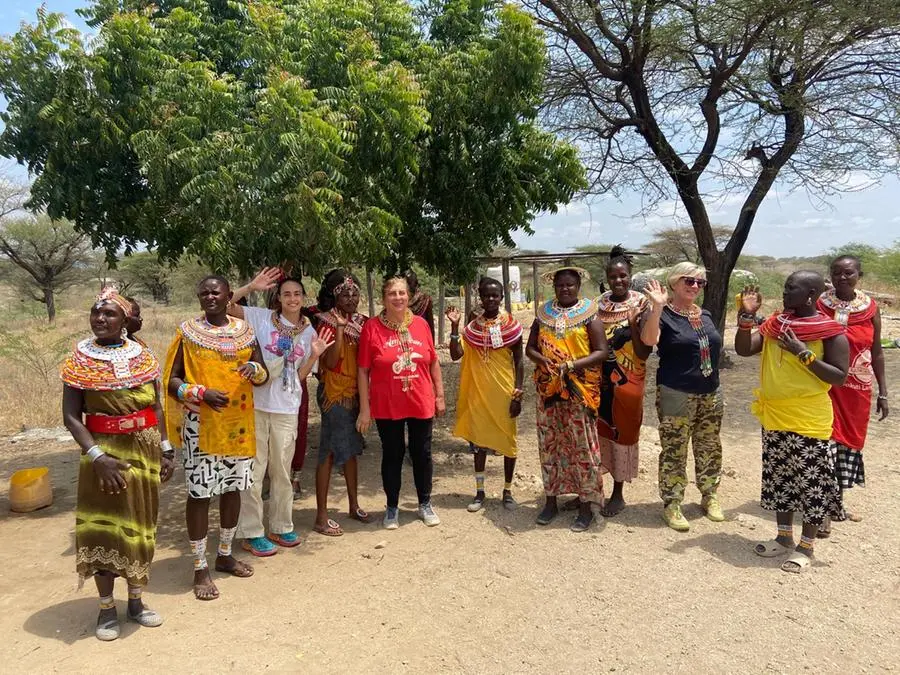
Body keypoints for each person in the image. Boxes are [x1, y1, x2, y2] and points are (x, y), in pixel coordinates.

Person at [61, 286, 174, 641]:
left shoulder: (143, 356)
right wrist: (98, 458)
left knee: (140, 526)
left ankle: (136, 602)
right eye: (96, 313)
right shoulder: (79, 359)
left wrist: (167, 449)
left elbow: (156, 407)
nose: (101, 319)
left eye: (110, 313)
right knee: (105, 529)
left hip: (144, 451)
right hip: (103, 456)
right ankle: (107, 608)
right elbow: (71, 417)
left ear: (125, 320)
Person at [163, 275, 268, 600]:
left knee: (234, 489)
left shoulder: (245, 331)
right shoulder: (188, 332)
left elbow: (262, 372)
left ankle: (224, 554)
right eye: (204, 292)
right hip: (201, 428)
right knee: (199, 494)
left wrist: (256, 371)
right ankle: (199, 567)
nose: (209, 296)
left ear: (228, 297)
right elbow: (171, 381)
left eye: (215, 292)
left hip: (237, 426)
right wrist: (200, 392)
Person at [735, 274, 849, 573]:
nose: (785, 292)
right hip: (775, 415)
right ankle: (783, 538)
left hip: (809, 418)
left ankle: (806, 547)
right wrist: (746, 318)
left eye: (791, 288)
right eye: (785, 286)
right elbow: (745, 349)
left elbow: (839, 376)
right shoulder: (776, 325)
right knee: (780, 477)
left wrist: (803, 353)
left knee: (810, 483)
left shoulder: (831, 331)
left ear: (811, 293)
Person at [228, 268, 328, 555]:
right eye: (287, 294)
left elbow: (300, 377)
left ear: (303, 297)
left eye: (297, 294)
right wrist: (250, 286)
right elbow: (223, 304)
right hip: (256, 405)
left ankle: (282, 525)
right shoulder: (260, 317)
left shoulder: (309, 331)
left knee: (283, 471)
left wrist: (314, 355)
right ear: (278, 298)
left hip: (287, 407)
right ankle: (251, 531)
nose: (292, 299)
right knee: (254, 471)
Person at [640, 262, 724, 532]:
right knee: (675, 449)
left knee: (709, 447)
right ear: (674, 283)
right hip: (676, 391)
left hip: (710, 392)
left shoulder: (706, 314)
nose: (695, 286)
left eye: (700, 282)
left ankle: (709, 495)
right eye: (689, 281)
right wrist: (657, 308)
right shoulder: (663, 314)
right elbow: (649, 340)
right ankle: (672, 502)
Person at [356, 276, 446, 529]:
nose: (398, 298)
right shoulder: (372, 328)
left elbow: (433, 361)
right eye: (392, 293)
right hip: (387, 403)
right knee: (392, 454)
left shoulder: (420, 325)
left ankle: (425, 503)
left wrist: (439, 395)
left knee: (422, 453)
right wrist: (365, 409)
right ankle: (392, 507)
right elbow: (363, 370)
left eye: (402, 293)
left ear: (409, 296)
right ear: (384, 298)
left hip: (420, 400)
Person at [526, 267, 609, 532]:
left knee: (582, 447)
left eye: (570, 285)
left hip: (579, 390)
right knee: (550, 445)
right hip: (549, 390)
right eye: (560, 285)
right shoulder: (543, 313)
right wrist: (544, 361)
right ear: (554, 286)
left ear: (578, 285)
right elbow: (530, 348)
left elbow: (601, 352)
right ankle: (551, 501)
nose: (565, 289)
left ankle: (586, 506)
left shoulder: (589, 313)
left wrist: (571, 365)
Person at [816, 255, 889, 532]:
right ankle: (822, 510)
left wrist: (883, 392)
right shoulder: (820, 303)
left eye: (848, 273)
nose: (842, 277)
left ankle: (837, 502)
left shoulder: (870, 308)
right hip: (824, 385)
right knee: (825, 444)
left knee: (846, 447)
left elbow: (877, 351)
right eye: (836, 273)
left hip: (857, 388)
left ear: (859, 274)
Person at [594, 247, 667, 516]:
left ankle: (618, 493)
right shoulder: (599, 303)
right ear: (607, 277)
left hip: (629, 381)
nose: (618, 281)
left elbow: (645, 351)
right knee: (600, 429)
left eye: (623, 276)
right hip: (600, 380)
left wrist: (634, 324)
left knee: (623, 431)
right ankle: (595, 490)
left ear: (630, 275)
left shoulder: (641, 304)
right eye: (613, 276)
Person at [447, 277, 525, 512]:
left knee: (508, 442)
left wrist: (518, 393)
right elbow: (455, 354)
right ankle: (480, 492)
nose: (491, 299)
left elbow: (520, 361)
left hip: (504, 392)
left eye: (495, 295)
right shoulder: (472, 326)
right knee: (479, 444)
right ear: (480, 298)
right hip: (479, 393)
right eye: (486, 295)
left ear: (502, 297)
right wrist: (454, 328)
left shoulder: (511, 324)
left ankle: (507, 491)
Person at [313, 269, 371, 536]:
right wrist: (338, 329)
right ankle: (322, 515)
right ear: (335, 296)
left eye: (355, 293)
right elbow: (330, 362)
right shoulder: (325, 321)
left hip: (356, 393)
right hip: (334, 394)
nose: (351, 298)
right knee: (329, 450)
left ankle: (353, 504)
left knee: (352, 449)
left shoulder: (363, 322)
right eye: (345, 293)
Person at [406, 270, 435, 340]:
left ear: (416, 283)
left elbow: (430, 324)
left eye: (410, 282)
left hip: (422, 337)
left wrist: (432, 343)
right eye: (406, 283)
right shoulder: (400, 301)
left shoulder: (425, 299)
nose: (408, 285)